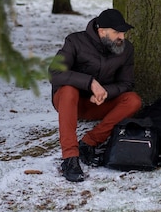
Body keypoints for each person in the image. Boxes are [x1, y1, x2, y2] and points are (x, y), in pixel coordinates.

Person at [49, 9, 142, 182]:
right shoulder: (75, 41)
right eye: (116, 32)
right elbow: (54, 72)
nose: (122, 36)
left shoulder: (126, 49)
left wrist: (106, 93)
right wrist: (90, 82)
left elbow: (126, 84)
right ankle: (70, 158)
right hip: (68, 102)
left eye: (123, 32)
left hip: (98, 103)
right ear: (101, 31)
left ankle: (89, 143)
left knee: (133, 100)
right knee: (69, 89)